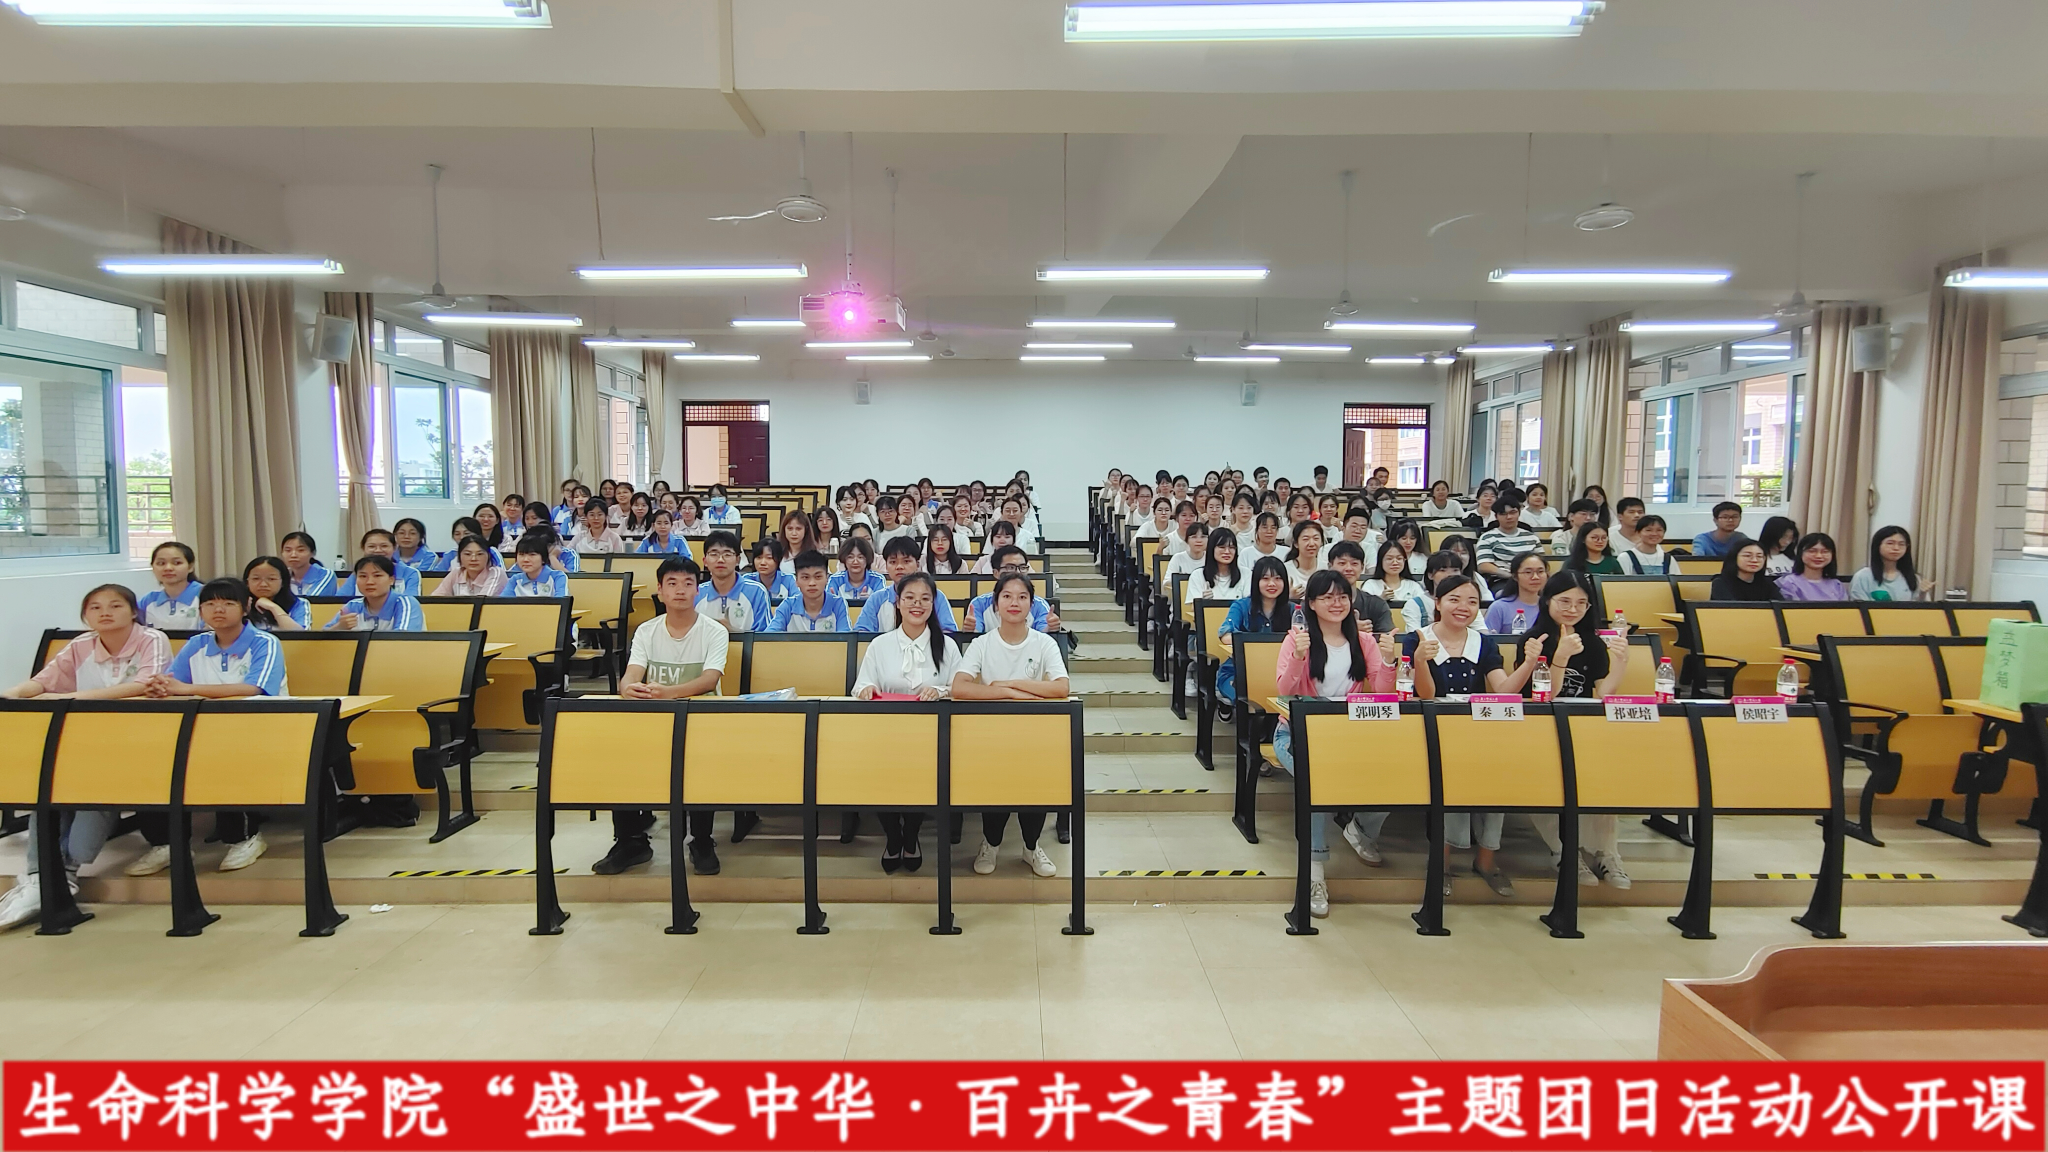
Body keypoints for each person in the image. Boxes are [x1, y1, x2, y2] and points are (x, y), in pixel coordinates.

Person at [0, 584, 171, 929]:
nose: (104, 612)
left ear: (133, 612)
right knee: (46, 788)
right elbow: (43, 682)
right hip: (85, 740)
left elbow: (145, 684)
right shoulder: (81, 645)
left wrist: (73, 699)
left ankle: (61, 872)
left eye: (115, 605)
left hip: (141, 739)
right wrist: (12, 694)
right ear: (85, 616)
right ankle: (41, 877)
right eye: (95, 607)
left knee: (91, 794)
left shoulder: (152, 639)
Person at [127, 578, 289, 877]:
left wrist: (186, 689)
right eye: (210, 604)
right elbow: (172, 681)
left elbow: (253, 689)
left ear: (246, 607)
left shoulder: (264, 642)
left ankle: (244, 837)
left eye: (228, 603)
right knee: (148, 758)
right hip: (202, 727)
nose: (218, 610)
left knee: (224, 757)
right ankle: (166, 843)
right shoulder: (197, 643)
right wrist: (160, 686)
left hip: (258, 727)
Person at [1274, 569, 1400, 916]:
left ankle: (1360, 829)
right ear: (1311, 603)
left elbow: (1383, 692)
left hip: (1349, 735)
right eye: (1327, 597)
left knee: (1398, 772)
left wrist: (1389, 661)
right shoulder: (1297, 639)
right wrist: (1299, 657)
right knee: (1318, 782)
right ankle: (1314, 873)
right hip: (1296, 734)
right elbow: (1284, 691)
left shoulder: (1364, 641)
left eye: (1342, 596)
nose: (1336, 603)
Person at [599, 557, 729, 877]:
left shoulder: (714, 631)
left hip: (701, 721)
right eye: (672, 583)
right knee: (619, 756)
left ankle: (701, 841)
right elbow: (631, 674)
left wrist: (668, 693)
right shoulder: (647, 630)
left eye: (687, 583)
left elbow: (709, 680)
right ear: (660, 591)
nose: (680, 590)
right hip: (655, 722)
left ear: (697, 590)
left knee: (700, 761)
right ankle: (631, 841)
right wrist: (628, 688)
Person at [1504, 570, 1633, 890]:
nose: (1573, 609)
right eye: (1565, 601)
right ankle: (1564, 850)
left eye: (1581, 603)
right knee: (1553, 774)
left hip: (1582, 727)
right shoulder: (1534, 640)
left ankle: (1607, 853)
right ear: (1548, 601)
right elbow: (1544, 696)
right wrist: (1559, 657)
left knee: (1604, 773)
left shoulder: (1592, 642)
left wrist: (1620, 663)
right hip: (1538, 728)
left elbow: (1604, 693)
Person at [952, 572, 1070, 879]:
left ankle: (1031, 847)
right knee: (994, 791)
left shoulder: (1044, 643)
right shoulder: (982, 643)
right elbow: (960, 687)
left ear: (1031, 604)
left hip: (1035, 734)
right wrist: (1009, 694)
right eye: (1007, 596)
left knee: (1035, 791)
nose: (1014, 602)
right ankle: (991, 844)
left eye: (1022, 597)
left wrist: (1011, 684)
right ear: (996, 604)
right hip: (991, 734)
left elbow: (1061, 687)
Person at [1402, 574, 1512, 897]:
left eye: (1472, 601)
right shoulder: (1417, 638)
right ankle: (1442, 861)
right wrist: (1420, 660)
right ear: (1437, 603)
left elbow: (1504, 690)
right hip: (1431, 730)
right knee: (1449, 773)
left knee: (1499, 774)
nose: (1463, 607)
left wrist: (1532, 662)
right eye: (1454, 599)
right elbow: (1425, 695)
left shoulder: (1484, 642)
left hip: (1476, 731)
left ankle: (1487, 860)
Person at [852, 572, 960, 874]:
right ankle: (893, 835)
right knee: (880, 778)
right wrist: (866, 690)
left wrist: (939, 691)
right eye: (910, 598)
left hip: (931, 734)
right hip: (886, 734)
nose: (917, 604)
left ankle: (911, 835)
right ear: (898, 603)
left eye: (925, 599)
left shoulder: (947, 646)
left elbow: (959, 686)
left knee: (923, 777)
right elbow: (862, 684)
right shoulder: (880, 644)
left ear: (933, 604)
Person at [1214, 556, 1292, 720]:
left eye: (1278, 579)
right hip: (1238, 673)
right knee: (1250, 702)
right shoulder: (1241, 606)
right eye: (1265, 579)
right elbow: (1225, 635)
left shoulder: (1293, 610)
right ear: (1256, 582)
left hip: (1279, 675)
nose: (1272, 584)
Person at [965, 545, 1060, 633]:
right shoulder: (979, 604)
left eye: (1022, 567)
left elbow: (1043, 633)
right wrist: (970, 630)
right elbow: (975, 634)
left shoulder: (1039, 605)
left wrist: (1050, 628)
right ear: (996, 573)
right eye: (1010, 567)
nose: (1017, 572)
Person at [695, 532, 771, 631]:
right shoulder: (696, 593)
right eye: (714, 554)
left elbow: (765, 637)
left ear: (738, 560)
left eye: (727, 554)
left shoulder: (757, 592)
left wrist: (733, 633)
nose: (720, 560)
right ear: (705, 561)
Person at [325, 555, 424, 631]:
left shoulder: (406, 603)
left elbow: (402, 640)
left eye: (377, 576)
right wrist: (339, 628)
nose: (369, 582)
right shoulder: (352, 606)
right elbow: (322, 638)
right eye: (363, 576)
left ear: (391, 580)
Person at [1323, 541, 1397, 635]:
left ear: (1362, 568)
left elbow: (1387, 638)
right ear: (1330, 566)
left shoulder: (1377, 604)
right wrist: (1350, 629)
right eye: (1342, 563)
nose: (1348, 568)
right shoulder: (1318, 602)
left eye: (1354, 563)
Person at [766, 550, 850, 632]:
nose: (812, 583)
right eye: (805, 577)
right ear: (796, 581)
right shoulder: (788, 606)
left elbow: (845, 637)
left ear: (827, 579)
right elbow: (769, 636)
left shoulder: (838, 604)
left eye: (818, 577)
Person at [1851, 525, 1934, 601]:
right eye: (1890, 543)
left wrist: (1922, 594)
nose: (1896, 548)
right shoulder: (1863, 576)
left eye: (1901, 544)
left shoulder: (1914, 578)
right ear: (1878, 545)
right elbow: (1858, 607)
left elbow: (1921, 609)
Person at [336, 529, 423, 596]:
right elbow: (340, 600)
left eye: (384, 546)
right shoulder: (358, 573)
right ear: (363, 548)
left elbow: (411, 600)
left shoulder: (410, 573)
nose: (378, 550)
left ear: (394, 548)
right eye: (372, 546)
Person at [1475, 498, 1539, 588]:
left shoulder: (1532, 537)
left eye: (1513, 512)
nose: (1509, 517)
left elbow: (1541, 562)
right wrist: (1511, 576)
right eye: (1503, 514)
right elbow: (1483, 566)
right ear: (1496, 516)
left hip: (1531, 578)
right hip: (1502, 580)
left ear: (1519, 513)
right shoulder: (1487, 537)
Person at [139, 541, 202, 630]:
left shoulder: (205, 595)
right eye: (161, 563)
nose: (168, 568)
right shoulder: (148, 600)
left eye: (177, 563)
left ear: (190, 567)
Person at [1483, 552, 1549, 635]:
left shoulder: (1550, 606)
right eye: (1528, 572)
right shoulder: (1499, 607)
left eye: (1540, 571)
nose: (1535, 577)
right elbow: (1488, 639)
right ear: (1515, 576)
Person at [1407, 552, 1471, 636]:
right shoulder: (1415, 604)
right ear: (1430, 575)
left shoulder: (1468, 602)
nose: (1449, 575)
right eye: (1442, 570)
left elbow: (1480, 629)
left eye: (1455, 570)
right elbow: (1414, 635)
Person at [1777, 532, 1848, 601]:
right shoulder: (1789, 582)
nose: (1819, 556)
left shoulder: (1836, 585)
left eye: (1825, 552)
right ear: (1801, 553)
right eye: (1812, 551)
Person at [243, 556, 309, 630]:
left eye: (271, 579)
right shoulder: (239, 604)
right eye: (256, 578)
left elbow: (300, 635)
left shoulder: (298, 603)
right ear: (247, 582)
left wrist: (273, 607)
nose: (263, 584)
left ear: (283, 582)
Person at [433, 535, 509, 597]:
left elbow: (482, 602)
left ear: (488, 556)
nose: (473, 559)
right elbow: (436, 599)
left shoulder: (496, 573)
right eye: (467, 554)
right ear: (459, 556)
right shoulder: (456, 573)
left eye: (480, 554)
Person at [1710, 537, 1779, 602]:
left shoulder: (1767, 583)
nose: (1754, 560)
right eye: (1747, 555)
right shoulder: (1721, 582)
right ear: (1734, 557)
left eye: (1759, 556)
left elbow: (1780, 605)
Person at [1189, 528, 1250, 602]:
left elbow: (1251, 605)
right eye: (1222, 547)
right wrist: (1202, 602)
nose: (1227, 552)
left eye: (1231, 547)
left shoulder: (1246, 574)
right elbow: (1192, 606)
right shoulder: (1198, 575)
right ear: (1211, 549)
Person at [1361, 540, 1423, 612]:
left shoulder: (1413, 586)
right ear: (1380, 561)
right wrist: (1380, 600)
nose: (1395, 562)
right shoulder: (1370, 585)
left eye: (1399, 558)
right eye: (1389, 558)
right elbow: (1364, 611)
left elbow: (1424, 608)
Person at [504, 535, 570, 597]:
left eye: (532, 555)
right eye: (521, 555)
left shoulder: (557, 577)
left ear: (543, 558)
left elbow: (561, 603)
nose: (525, 560)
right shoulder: (515, 580)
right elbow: (503, 603)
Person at [280, 531, 335, 597]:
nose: (293, 555)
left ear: (313, 553)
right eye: (288, 550)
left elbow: (312, 601)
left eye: (300, 550)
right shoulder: (281, 576)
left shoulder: (324, 574)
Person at [743, 539, 797, 603]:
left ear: (779, 559)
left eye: (769, 558)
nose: (763, 563)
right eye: (759, 557)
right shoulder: (746, 580)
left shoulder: (789, 580)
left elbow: (797, 603)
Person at [1283, 521, 1327, 592]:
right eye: (1306, 539)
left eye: (1316, 538)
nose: (1311, 544)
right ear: (1296, 543)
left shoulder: (1327, 568)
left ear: (1321, 542)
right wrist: (1290, 596)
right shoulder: (1285, 569)